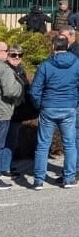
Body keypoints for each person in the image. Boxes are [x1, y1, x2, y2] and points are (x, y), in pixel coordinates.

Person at [29, 35, 79, 190]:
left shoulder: (45, 65)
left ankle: (38, 180)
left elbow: (35, 90)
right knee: (69, 145)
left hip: (48, 107)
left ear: (53, 47)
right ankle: (69, 178)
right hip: (69, 108)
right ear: (67, 46)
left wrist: (40, 105)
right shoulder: (78, 64)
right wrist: (75, 102)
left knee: (43, 145)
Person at [1, 45, 38, 180]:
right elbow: (10, 91)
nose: (17, 58)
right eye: (13, 55)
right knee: (5, 140)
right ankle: (4, 167)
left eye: (19, 55)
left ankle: (6, 165)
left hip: (17, 111)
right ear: (7, 55)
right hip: (9, 109)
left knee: (11, 140)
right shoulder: (5, 70)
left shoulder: (20, 70)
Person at [58, 27, 79, 183]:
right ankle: (70, 168)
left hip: (75, 99)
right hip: (67, 99)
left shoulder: (77, 53)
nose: (60, 38)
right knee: (69, 135)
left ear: (72, 36)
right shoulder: (65, 50)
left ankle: (76, 168)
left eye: (63, 36)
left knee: (75, 133)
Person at [0, 42, 22, 190]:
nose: (9, 53)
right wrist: (21, 88)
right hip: (3, 111)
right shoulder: (4, 69)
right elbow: (10, 90)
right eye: (7, 51)